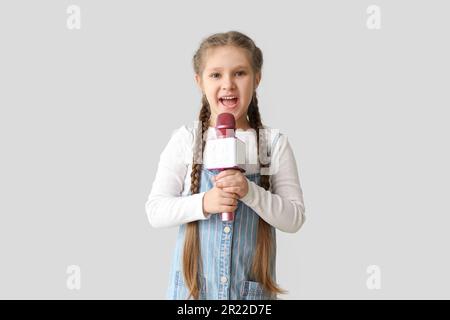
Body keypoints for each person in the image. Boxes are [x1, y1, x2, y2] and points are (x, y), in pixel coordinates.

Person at [145, 30, 306, 300]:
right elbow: (156, 211)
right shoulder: (186, 140)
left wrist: (249, 192)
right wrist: (204, 202)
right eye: (216, 74)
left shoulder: (273, 144)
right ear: (199, 81)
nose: (228, 84)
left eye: (240, 73)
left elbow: (294, 218)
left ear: (257, 78)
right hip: (193, 296)